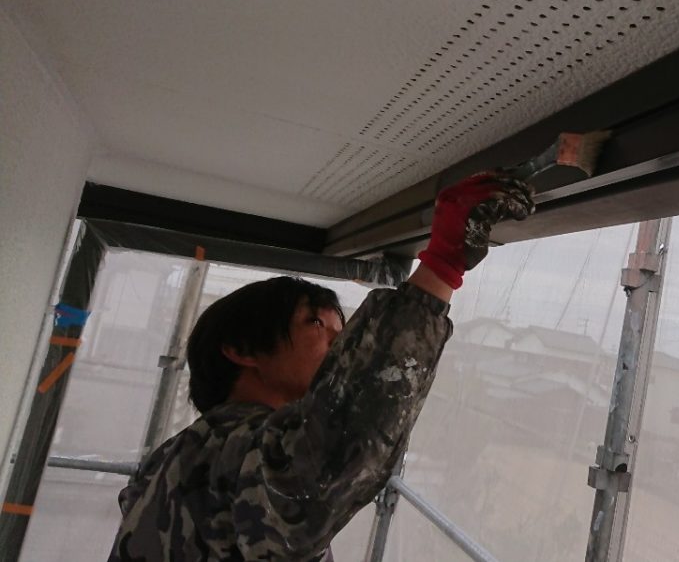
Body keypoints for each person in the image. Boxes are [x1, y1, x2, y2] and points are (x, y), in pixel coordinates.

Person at [108, 172, 534, 561]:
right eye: (315, 323)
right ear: (242, 349)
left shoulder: (186, 453)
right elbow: (332, 452)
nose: (339, 343)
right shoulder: (220, 452)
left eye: (339, 329)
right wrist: (442, 263)